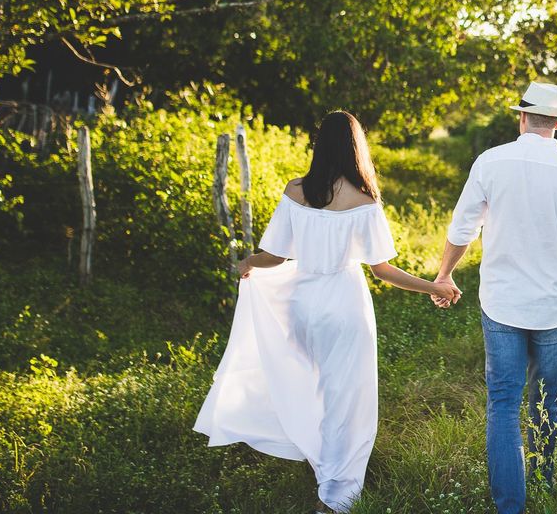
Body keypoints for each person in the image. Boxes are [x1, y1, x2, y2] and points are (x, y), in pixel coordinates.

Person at [193, 110, 459, 514]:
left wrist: (248, 262)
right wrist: (433, 286)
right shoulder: (364, 199)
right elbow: (382, 270)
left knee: (311, 385)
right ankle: (334, 497)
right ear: (357, 148)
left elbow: (274, 257)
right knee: (346, 401)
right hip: (343, 306)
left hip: (300, 305)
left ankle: (323, 463)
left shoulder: (295, 191)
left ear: (320, 146)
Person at [432, 80, 557, 514]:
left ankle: (511, 506)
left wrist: (444, 274)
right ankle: (544, 485)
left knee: (504, 405)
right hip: (554, 307)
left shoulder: (490, 162)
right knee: (546, 400)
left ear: (522, 116)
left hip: (502, 305)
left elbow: (461, 230)